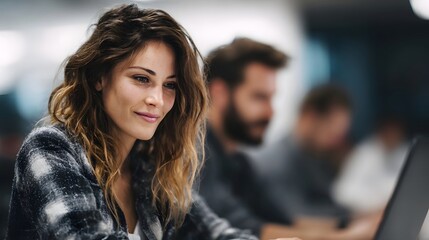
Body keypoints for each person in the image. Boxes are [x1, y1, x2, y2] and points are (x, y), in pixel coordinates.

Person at [5, 5, 276, 240]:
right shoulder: (51, 149)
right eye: (141, 79)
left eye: (169, 85)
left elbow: (216, 234)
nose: (157, 99)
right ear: (100, 77)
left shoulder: (149, 167)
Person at [200, 40, 379, 239]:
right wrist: (348, 237)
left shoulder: (238, 161)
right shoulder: (197, 156)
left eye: (271, 98)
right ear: (219, 93)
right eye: (259, 97)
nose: (270, 112)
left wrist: (354, 225)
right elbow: (244, 230)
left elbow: (282, 222)